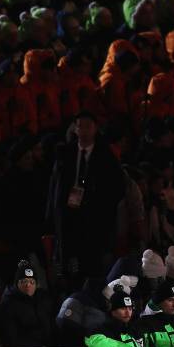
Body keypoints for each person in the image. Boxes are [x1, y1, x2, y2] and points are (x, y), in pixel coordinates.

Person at [47, 110, 126, 284]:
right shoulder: (64, 152)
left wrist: (101, 205)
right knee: (68, 258)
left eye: (88, 126)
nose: (83, 130)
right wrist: (53, 215)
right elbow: (55, 186)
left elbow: (117, 186)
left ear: (95, 129)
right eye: (80, 126)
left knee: (91, 260)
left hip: (94, 215)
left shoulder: (106, 155)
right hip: (69, 212)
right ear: (75, 129)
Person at [0, 260, 55, 347]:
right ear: (17, 284)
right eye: (24, 281)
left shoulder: (43, 299)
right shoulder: (8, 304)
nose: (28, 285)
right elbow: (10, 340)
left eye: (32, 282)